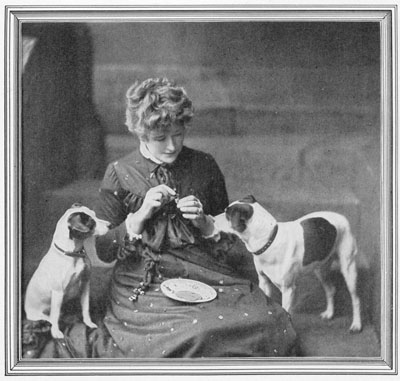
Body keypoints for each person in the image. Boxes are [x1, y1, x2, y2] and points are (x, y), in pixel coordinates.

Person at [26, 77, 298, 358]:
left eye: (178, 134)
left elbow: (231, 242)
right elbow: (105, 251)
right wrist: (139, 216)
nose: (171, 146)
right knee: (195, 333)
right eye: (160, 138)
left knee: (267, 321)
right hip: (145, 278)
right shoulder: (119, 172)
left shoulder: (205, 165)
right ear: (141, 134)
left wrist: (205, 223)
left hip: (206, 270)